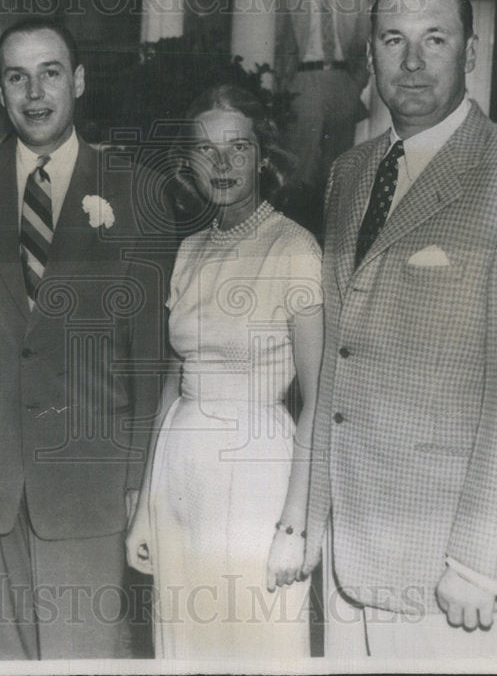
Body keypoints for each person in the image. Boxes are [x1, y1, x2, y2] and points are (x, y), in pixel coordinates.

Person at [304, 0, 497, 658]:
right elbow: (335, 358)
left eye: (436, 39)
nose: (413, 61)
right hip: (347, 548)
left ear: (471, 51)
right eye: (394, 40)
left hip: (446, 565)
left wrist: (483, 562)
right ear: (369, 55)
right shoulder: (348, 173)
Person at [0, 18, 171, 660]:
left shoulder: (136, 190)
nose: (35, 91)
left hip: (88, 481)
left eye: (50, 72)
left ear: (77, 80)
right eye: (17, 77)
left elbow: (150, 356)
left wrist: (140, 478)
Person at [125, 85, 324, 659]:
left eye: (238, 148)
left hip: (259, 473)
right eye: (206, 150)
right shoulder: (188, 250)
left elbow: (318, 397)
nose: (223, 164)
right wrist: (144, 509)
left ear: (263, 155)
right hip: (182, 470)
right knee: (184, 646)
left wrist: (296, 524)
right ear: (188, 161)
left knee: (254, 644)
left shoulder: (294, 248)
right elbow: (175, 380)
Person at [276, 0, 370, 231]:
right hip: (305, 80)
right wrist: (285, 88)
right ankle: (295, 229)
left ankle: (334, 232)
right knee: (302, 160)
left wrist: (355, 86)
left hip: (343, 81)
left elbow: (364, 51)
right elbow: (284, 48)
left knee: (340, 162)